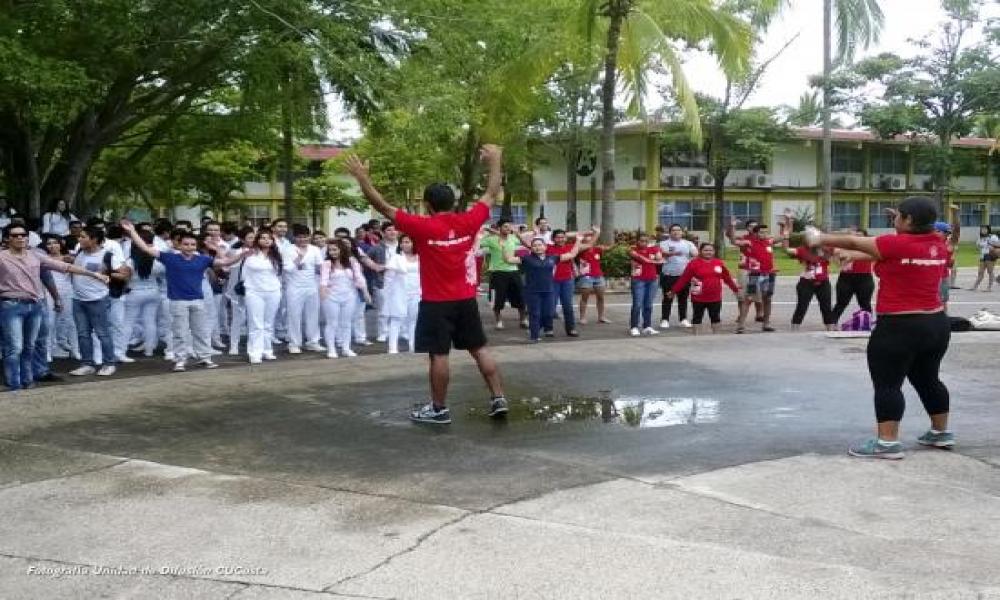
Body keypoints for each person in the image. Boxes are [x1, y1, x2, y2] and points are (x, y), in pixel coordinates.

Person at [345, 144, 507, 424]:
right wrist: (496, 160)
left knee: (439, 355)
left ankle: (439, 409)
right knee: (479, 348)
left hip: (436, 303)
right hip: (465, 299)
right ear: (452, 203)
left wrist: (362, 178)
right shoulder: (469, 220)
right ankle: (498, 398)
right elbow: (492, 193)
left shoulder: (421, 226)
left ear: (429, 205)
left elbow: (382, 206)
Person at [804, 196, 952, 459]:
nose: (894, 219)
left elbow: (854, 242)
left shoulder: (894, 243)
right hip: (936, 324)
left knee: (888, 384)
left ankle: (887, 443)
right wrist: (849, 254)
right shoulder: (938, 245)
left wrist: (819, 237)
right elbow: (879, 252)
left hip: (899, 326)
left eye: (898, 216)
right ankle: (940, 433)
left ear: (908, 220)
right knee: (929, 379)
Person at [122, 220, 246, 371]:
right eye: (186, 244)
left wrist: (242, 254)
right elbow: (145, 248)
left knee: (200, 331)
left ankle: (205, 358)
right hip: (178, 301)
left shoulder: (202, 259)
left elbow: (225, 262)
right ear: (179, 245)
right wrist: (132, 231)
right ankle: (180, 360)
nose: (189, 247)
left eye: (192, 244)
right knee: (179, 333)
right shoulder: (170, 258)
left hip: (197, 301)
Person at [1, 223, 108, 391]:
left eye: (23, 234)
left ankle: (27, 381)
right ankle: (14, 383)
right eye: (15, 235)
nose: (20, 237)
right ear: (7, 239)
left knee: (30, 346)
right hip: (11, 305)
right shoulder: (2, 257)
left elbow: (64, 267)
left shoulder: (35, 255)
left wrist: (94, 274)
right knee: (15, 347)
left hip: (35, 305)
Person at [67, 227, 131, 377]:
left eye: (83, 237)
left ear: (94, 239)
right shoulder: (80, 252)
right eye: (80, 236)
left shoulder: (107, 255)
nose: (79, 239)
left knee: (102, 333)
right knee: (83, 334)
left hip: (98, 300)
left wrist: (108, 273)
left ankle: (109, 363)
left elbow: (125, 274)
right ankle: (87, 364)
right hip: (78, 299)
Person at [503, 235, 583, 343]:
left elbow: (572, 254)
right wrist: (504, 246)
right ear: (531, 248)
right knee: (535, 314)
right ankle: (534, 336)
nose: (537, 247)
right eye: (535, 246)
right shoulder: (526, 258)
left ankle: (535, 329)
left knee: (548, 314)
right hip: (532, 292)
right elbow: (508, 259)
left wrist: (578, 240)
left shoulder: (553, 258)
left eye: (540, 245)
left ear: (545, 247)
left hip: (549, 291)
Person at [668, 242, 739, 335]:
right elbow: (684, 279)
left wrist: (735, 289)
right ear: (700, 251)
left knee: (715, 317)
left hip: (715, 297)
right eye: (705, 250)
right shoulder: (693, 263)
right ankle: (697, 337)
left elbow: (727, 278)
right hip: (698, 297)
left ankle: (717, 337)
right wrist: (673, 291)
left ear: (714, 251)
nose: (708, 252)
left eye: (711, 250)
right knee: (697, 317)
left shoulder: (718, 263)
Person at [319, 238, 370, 358]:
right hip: (331, 296)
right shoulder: (327, 263)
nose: (332, 252)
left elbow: (359, 278)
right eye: (330, 250)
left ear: (341, 249)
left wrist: (366, 292)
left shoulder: (352, 261)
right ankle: (331, 349)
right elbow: (323, 280)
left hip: (349, 296)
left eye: (335, 249)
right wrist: (322, 292)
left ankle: (346, 348)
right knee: (332, 323)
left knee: (346, 323)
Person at [242, 229, 284, 364]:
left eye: (269, 238)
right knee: (256, 323)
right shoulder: (251, 254)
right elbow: (244, 274)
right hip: (254, 292)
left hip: (273, 291)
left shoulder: (276, 255)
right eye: (263, 238)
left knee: (268, 323)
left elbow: (279, 273)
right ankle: (255, 352)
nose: (266, 240)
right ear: (257, 240)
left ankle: (267, 350)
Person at [121, 230, 165, 359]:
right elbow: (162, 275)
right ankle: (149, 350)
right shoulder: (156, 261)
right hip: (154, 291)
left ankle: (121, 351)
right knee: (150, 321)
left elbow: (125, 278)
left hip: (134, 291)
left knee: (128, 322)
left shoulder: (130, 261)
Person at [283, 224, 325, 354]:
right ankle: (294, 343)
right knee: (294, 316)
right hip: (294, 287)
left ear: (309, 237)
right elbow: (287, 269)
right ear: (294, 237)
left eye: (305, 237)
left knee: (313, 315)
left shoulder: (314, 249)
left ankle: (313, 341)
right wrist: (299, 259)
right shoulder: (288, 249)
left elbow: (321, 267)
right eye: (299, 237)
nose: (303, 240)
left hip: (311, 286)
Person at [732, 219, 781, 333]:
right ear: (755, 233)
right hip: (755, 274)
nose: (764, 234)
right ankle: (740, 326)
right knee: (748, 298)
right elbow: (734, 241)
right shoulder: (750, 242)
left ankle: (766, 324)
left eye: (766, 232)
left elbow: (784, 236)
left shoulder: (769, 242)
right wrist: (732, 227)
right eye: (761, 232)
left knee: (767, 299)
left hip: (769, 274)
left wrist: (788, 222)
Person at [479, 219, 527, 330]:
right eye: (505, 226)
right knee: (497, 298)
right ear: (499, 228)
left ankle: (523, 320)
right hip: (498, 273)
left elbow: (526, 244)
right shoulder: (491, 239)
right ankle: (499, 321)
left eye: (510, 226)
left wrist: (518, 235)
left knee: (520, 297)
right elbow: (478, 243)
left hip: (513, 271)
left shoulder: (513, 238)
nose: (508, 228)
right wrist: (485, 232)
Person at [41, 235, 79, 360]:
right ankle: (48, 351)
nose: (52, 246)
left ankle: (75, 349)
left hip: (67, 291)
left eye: (55, 243)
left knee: (69, 321)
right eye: (49, 243)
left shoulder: (69, 258)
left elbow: (76, 274)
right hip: (49, 292)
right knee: (50, 322)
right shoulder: (43, 259)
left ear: (60, 244)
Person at [545, 229, 588, 337]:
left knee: (568, 306)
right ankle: (548, 328)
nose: (560, 239)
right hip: (552, 281)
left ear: (566, 238)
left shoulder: (570, 247)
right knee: (550, 306)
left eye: (562, 237)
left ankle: (571, 329)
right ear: (553, 239)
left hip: (567, 280)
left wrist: (579, 238)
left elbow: (581, 248)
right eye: (557, 237)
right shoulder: (548, 248)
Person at [383, 235, 421, 353]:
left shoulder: (419, 257)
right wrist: (388, 293)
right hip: (399, 293)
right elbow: (388, 277)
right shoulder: (396, 258)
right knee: (396, 319)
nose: (404, 244)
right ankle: (393, 348)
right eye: (402, 242)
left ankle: (413, 346)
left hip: (416, 292)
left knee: (413, 320)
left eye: (407, 242)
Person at [787, 244, 836, 331]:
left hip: (823, 282)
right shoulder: (803, 250)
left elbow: (838, 251)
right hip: (807, 282)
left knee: (826, 306)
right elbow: (787, 250)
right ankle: (795, 327)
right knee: (802, 306)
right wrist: (785, 238)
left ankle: (830, 328)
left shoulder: (826, 249)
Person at [830, 229, 875, 324]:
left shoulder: (870, 248)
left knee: (865, 303)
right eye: (856, 236)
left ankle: (867, 323)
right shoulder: (844, 248)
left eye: (860, 236)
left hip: (864, 277)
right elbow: (835, 259)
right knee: (841, 303)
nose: (858, 238)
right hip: (846, 278)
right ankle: (832, 323)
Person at [658, 223, 697, 329]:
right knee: (668, 297)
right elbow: (663, 253)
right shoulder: (664, 243)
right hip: (669, 275)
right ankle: (665, 319)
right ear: (670, 232)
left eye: (678, 230)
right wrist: (673, 253)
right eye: (673, 230)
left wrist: (694, 252)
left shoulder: (688, 243)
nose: (676, 232)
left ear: (682, 232)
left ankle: (683, 319)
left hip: (684, 276)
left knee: (683, 298)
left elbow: (695, 254)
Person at [226, 227, 256, 355]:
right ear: (242, 239)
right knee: (237, 317)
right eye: (250, 237)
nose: (253, 240)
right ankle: (234, 345)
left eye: (254, 237)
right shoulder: (234, 250)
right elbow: (230, 265)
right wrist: (242, 255)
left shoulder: (258, 251)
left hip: (254, 288)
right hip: (238, 288)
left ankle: (252, 344)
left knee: (253, 318)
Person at [629, 231, 664, 337]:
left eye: (646, 241)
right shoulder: (633, 250)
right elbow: (643, 260)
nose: (643, 243)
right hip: (638, 280)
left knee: (648, 304)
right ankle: (634, 326)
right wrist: (652, 260)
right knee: (637, 304)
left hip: (652, 280)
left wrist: (656, 254)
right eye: (641, 241)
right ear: (637, 241)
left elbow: (660, 258)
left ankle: (647, 326)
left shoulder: (653, 248)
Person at [576, 228, 611, 325]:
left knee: (601, 297)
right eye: (587, 237)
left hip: (598, 276)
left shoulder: (597, 249)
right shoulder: (579, 248)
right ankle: (582, 318)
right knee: (584, 297)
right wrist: (597, 233)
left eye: (591, 236)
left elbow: (609, 246)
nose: (590, 238)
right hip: (586, 276)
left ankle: (601, 317)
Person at [970, 225, 1000, 292]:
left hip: (990, 255)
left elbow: (998, 244)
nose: (983, 230)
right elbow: (977, 247)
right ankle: (974, 286)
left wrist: (992, 245)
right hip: (982, 256)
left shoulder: (992, 236)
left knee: (990, 271)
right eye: (982, 229)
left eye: (985, 229)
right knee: (980, 272)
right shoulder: (980, 238)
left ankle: (989, 287)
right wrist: (979, 247)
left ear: (988, 230)